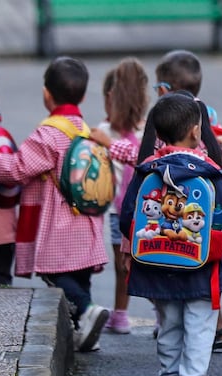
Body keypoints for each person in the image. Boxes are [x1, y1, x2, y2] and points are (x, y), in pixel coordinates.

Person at [119, 92, 222, 376]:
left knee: (168, 323)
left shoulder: (147, 171)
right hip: (201, 265)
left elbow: (129, 217)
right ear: (197, 131)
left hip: (157, 263)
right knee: (199, 324)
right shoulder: (207, 171)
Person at [0, 56, 109, 352]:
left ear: (47, 93)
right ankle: (84, 327)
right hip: (84, 216)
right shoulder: (84, 128)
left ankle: (85, 311)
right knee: (79, 273)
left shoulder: (49, 133)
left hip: (58, 220)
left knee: (56, 274)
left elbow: (17, 168)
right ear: (83, 95)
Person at [138, 49, 222, 349]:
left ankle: (167, 325)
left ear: (165, 89)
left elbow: (143, 165)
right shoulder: (207, 118)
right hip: (203, 219)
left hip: (166, 218)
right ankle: (214, 326)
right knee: (203, 278)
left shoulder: (161, 122)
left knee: (167, 267)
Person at [96, 58, 149, 334]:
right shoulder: (147, 131)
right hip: (146, 206)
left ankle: (120, 313)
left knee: (123, 265)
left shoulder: (104, 133)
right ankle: (129, 314)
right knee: (145, 260)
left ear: (110, 97)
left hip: (121, 208)